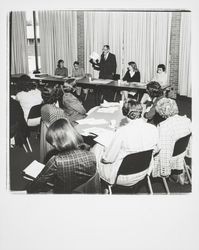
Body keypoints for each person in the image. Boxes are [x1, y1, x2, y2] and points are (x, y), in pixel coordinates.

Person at [92, 99, 158, 185]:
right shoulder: (153, 128)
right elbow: (156, 149)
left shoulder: (122, 131)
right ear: (141, 112)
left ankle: (98, 186)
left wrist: (104, 150)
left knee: (96, 148)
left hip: (121, 176)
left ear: (124, 112)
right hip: (144, 171)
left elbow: (108, 159)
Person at [27, 118, 97, 193]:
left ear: (56, 143)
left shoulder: (56, 161)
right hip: (86, 191)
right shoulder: (91, 154)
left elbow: (39, 183)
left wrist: (29, 190)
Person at [153, 98, 191, 184]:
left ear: (161, 111)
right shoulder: (187, 120)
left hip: (170, 155)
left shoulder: (164, 126)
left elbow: (159, 147)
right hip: (181, 151)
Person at [40, 84, 68, 163]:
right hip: (55, 136)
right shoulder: (58, 111)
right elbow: (64, 129)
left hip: (46, 132)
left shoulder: (43, 107)